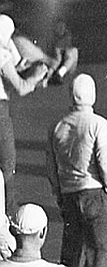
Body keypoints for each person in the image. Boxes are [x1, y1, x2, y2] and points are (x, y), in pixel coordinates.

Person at [46, 74, 107, 267]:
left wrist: (59, 194)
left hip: (69, 195)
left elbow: (51, 166)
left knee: (71, 254)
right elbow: (104, 163)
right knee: (100, 252)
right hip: (95, 192)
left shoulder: (57, 125)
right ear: (93, 95)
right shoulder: (98, 123)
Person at [0, 15, 50, 206]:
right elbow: (21, 86)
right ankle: (8, 211)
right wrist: (37, 77)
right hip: (1, 110)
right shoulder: (2, 53)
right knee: (7, 164)